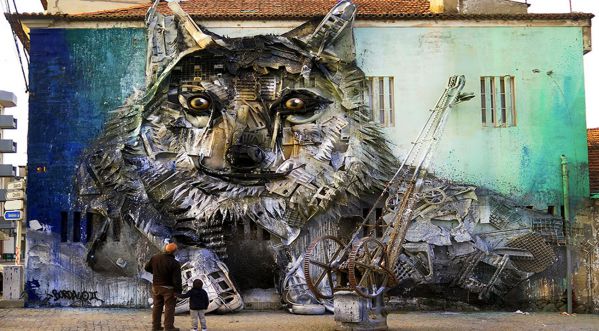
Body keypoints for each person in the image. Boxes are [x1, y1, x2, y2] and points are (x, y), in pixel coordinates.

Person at [145, 242, 182, 331]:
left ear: (165, 249)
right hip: (168, 288)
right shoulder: (175, 263)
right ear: (174, 252)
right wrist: (178, 291)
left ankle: (156, 326)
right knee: (169, 307)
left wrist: (155, 273)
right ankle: (168, 327)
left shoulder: (155, 258)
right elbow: (177, 280)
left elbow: (147, 268)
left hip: (156, 286)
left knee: (157, 306)